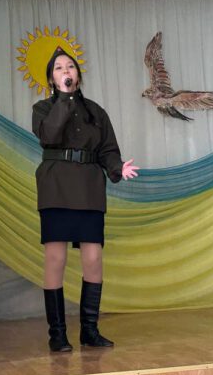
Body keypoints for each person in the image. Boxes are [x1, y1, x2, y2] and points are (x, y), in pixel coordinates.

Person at [32, 47, 138, 352]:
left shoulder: (96, 111)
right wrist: (64, 98)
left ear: (78, 74)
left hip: (89, 187)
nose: (66, 71)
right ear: (51, 79)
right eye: (59, 68)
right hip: (56, 186)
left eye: (70, 66)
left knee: (93, 258)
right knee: (56, 258)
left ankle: (89, 331)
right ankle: (57, 334)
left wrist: (117, 167)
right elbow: (49, 136)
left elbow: (108, 149)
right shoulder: (42, 108)